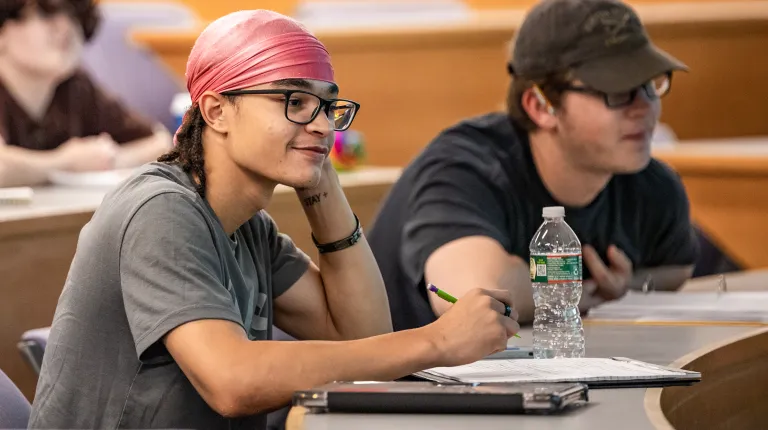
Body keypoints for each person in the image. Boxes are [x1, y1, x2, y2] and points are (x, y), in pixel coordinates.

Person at [27, 10, 520, 429]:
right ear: (217, 111)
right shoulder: (162, 211)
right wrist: (437, 340)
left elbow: (361, 338)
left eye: (328, 107)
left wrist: (321, 185)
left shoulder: (248, 227)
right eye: (295, 102)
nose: (323, 124)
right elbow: (233, 381)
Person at [366, 0, 700, 331]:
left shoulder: (648, 182)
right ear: (540, 105)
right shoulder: (466, 168)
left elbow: (676, 267)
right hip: (399, 381)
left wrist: (625, 289)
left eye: (650, 84)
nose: (645, 107)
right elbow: (471, 297)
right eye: (618, 91)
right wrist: (576, 293)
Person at [0, 0, 170, 187]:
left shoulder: (76, 86)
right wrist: (64, 163)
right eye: (45, 14)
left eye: (73, 15)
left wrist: (110, 160)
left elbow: (160, 141)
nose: (64, 27)